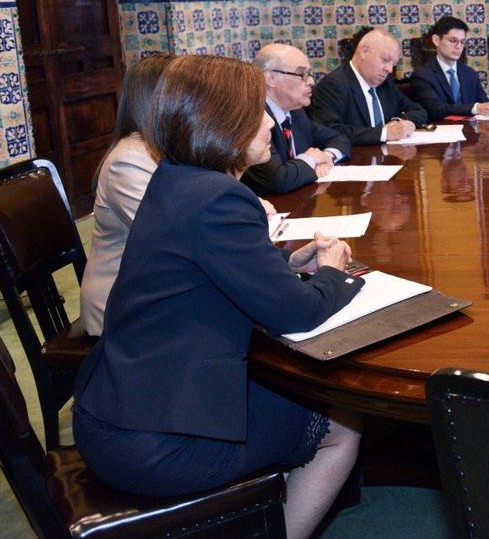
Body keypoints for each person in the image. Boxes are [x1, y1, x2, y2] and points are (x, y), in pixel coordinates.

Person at [72, 55, 367, 539]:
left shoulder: (175, 177)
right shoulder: (219, 197)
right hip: (158, 442)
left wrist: (285, 265)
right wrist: (334, 272)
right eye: (258, 112)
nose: (269, 123)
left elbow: (202, 267)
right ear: (225, 123)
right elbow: (299, 314)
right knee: (344, 423)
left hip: (117, 408)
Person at [80, 53, 174, 336]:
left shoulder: (162, 147)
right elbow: (172, 236)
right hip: (122, 307)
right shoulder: (129, 160)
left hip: (157, 288)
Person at [241, 43, 351, 195]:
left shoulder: (295, 112)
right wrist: (310, 159)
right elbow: (277, 180)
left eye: (309, 73)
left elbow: (338, 138)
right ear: (270, 78)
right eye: (302, 74)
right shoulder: (252, 117)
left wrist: (327, 157)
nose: (311, 81)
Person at [309, 28, 426, 143]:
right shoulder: (333, 85)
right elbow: (330, 131)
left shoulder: (385, 83)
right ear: (364, 52)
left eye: (393, 64)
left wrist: (397, 122)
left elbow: (418, 110)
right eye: (385, 60)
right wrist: (384, 133)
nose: (390, 69)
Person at [409, 16, 489, 121]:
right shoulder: (422, 76)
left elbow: (484, 102)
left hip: (470, 132)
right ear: (436, 40)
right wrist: (475, 108)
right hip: (439, 131)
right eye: (453, 41)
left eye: (462, 42)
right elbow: (434, 109)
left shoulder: (469, 73)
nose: (459, 46)